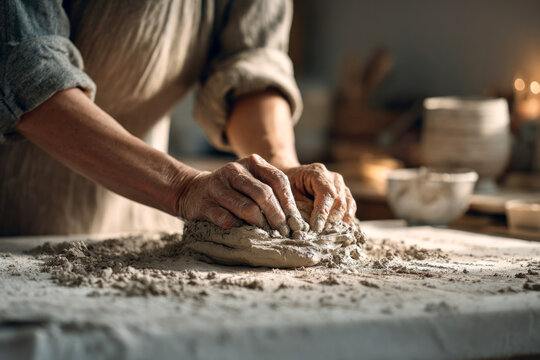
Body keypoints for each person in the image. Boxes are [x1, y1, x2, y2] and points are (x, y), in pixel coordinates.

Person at [0, 0, 356, 236]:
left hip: (136, 212)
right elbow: (26, 72)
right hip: (15, 207)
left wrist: (278, 170)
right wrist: (181, 187)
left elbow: (250, 63)